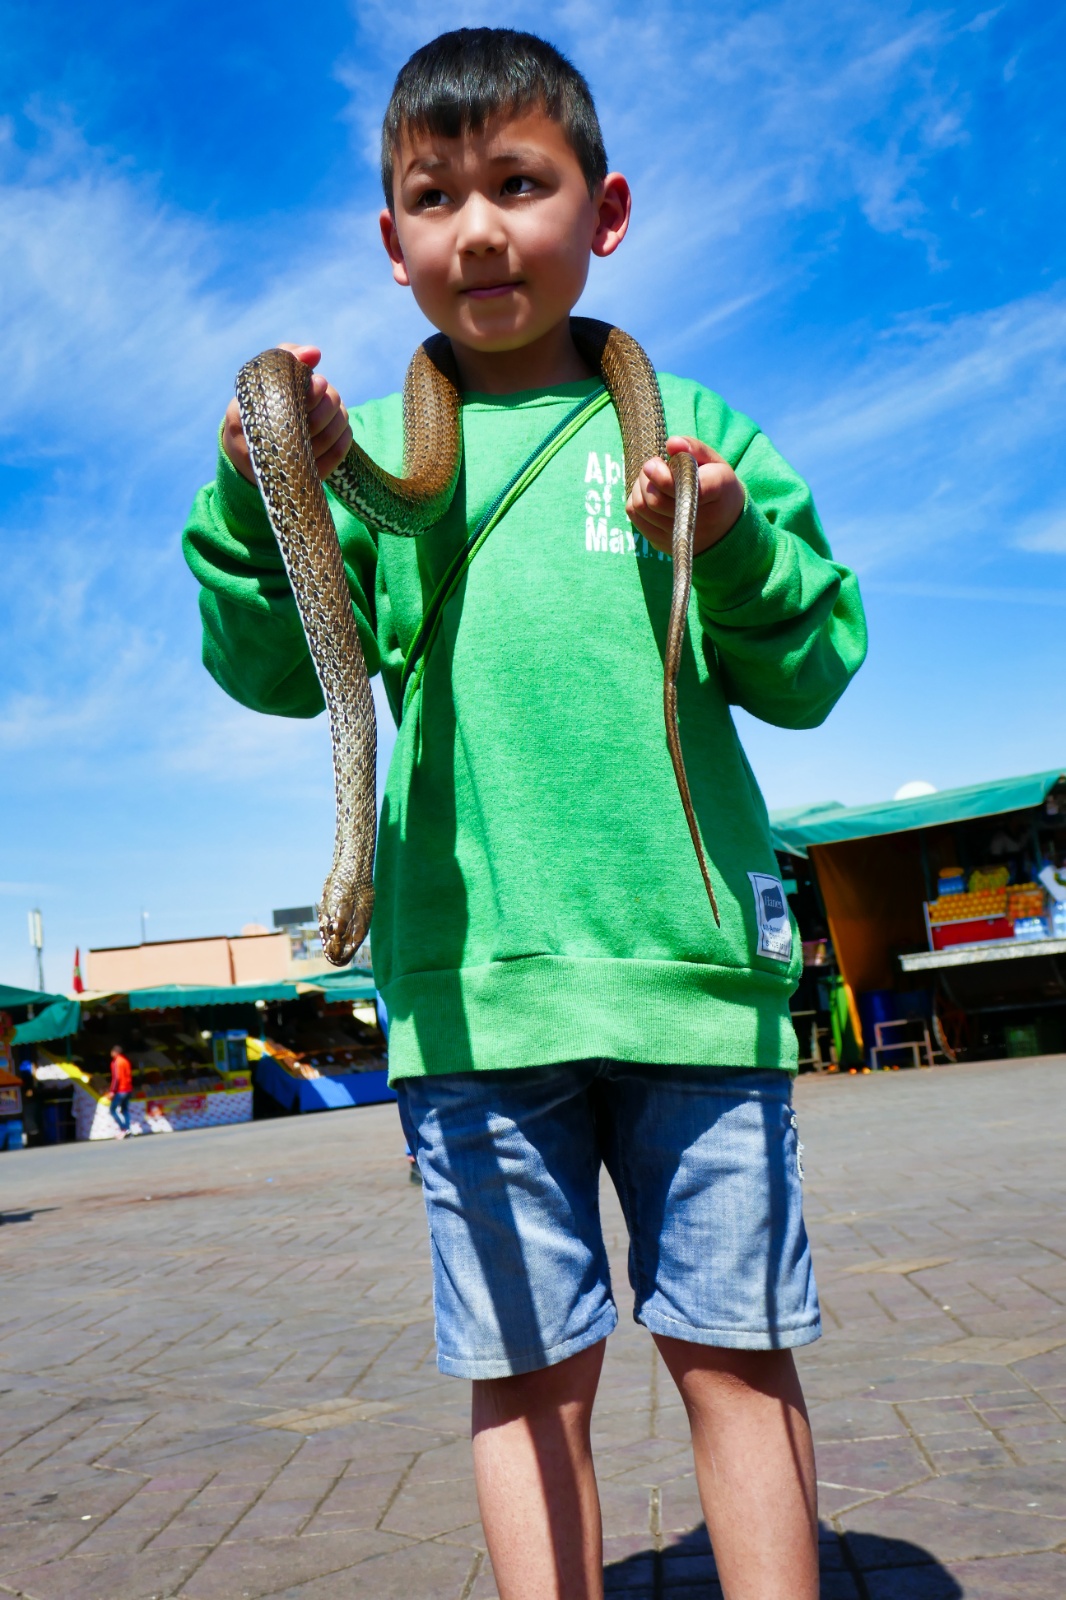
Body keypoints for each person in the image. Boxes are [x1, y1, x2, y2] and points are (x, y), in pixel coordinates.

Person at [183, 28, 867, 1599]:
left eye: (518, 183)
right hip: (471, 996)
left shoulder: (682, 420)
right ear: (393, 244)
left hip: (694, 982)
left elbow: (818, 664)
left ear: (600, 209)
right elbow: (285, 674)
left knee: (737, 1355)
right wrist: (258, 487)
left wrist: (730, 538)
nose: (479, 226)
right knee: (524, 1377)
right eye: (436, 196)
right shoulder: (373, 469)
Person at [108, 1045, 133, 1138]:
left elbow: (116, 1078)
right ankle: (128, 1130)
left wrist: (112, 1091)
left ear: (114, 1052)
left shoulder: (116, 1062)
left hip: (121, 1089)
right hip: (128, 1088)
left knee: (112, 1109)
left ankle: (124, 1129)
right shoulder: (125, 1061)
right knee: (125, 1110)